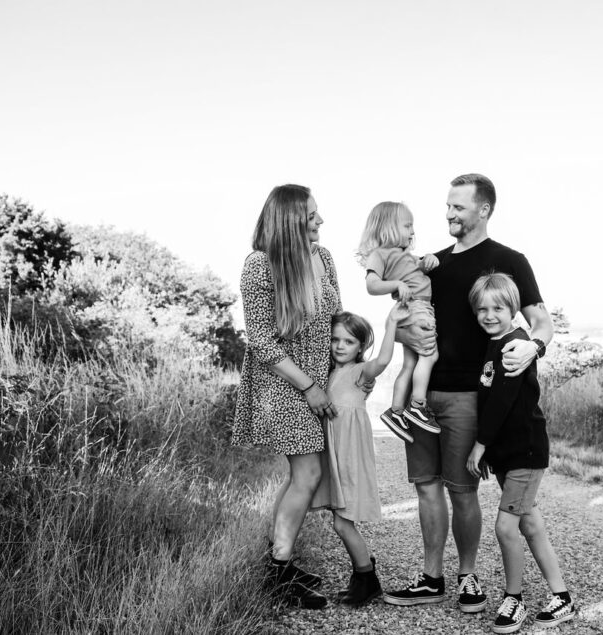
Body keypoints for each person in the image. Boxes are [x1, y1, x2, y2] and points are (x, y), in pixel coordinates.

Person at [383, 174, 554, 615]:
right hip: (422, 396)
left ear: (484, 210)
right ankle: (431, 578)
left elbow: (542, 323)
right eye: (447, 206)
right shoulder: (430, 264)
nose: (449, 214)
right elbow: (404, 311)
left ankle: (468, 577)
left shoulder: (509, 260)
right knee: (425, 488)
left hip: (468, 397)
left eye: (458, 207)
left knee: (462, 490)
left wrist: (532, 347)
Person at [231, 184, 340, 610]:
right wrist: (310, 387)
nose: (320, 221)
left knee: (303, 476)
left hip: (320, 382)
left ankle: (280, 560)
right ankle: (278, 570)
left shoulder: (323, 258)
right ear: (290, 219)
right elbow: (261, 340)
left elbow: (336, 318)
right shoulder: (259, 265)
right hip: (284, 384)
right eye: (312, 215)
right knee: (309, 476)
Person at [466, 273, 574, 632]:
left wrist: (479, 448)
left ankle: (515, 599)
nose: (489, 314)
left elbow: (501, 402)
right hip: (507, 454)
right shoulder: (492, 343)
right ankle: (562, 597)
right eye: (481, 308)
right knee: (529, 523)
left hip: (525, 452)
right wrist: (492, 452)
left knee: (505, 527)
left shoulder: (514, 345)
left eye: (497, 307)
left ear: (513, 307)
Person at [310, 303, 408, 606]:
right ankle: (364, 575)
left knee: (342, 523)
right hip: (332, 456)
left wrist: (390, 322)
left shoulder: (358, 373)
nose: (340, 346)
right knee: (339, 520)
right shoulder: (322, 373)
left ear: (361, 346)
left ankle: (367, 578)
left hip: (350, 457)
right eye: (335, 339)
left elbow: (384, 359)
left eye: (349, 341)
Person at [357, 201, 441, 442]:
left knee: (410, 365)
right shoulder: (380, 254)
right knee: (430, 355)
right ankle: (417, 405)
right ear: (387, 228)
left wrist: (427, 262)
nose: (412, 231)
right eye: (407, 225)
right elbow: (372, 285)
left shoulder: (405, 256)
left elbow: (419, 268)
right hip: (416, 308)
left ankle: (396, 412)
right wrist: (396, 285)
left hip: (411, 311)